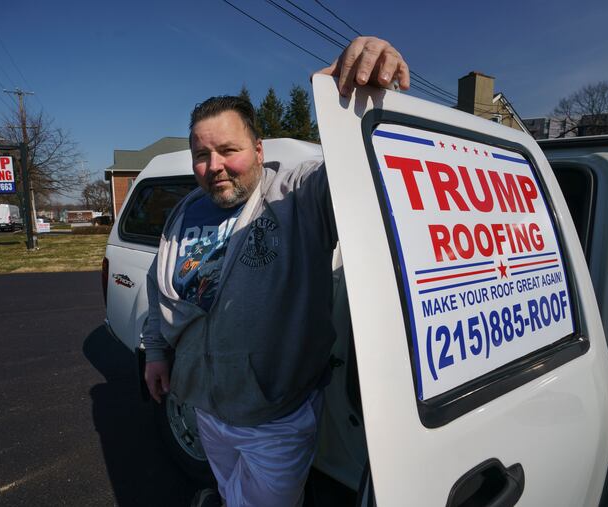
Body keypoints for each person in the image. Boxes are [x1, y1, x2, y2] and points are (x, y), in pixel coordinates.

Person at [142, 36, 410, 507]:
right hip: (203, 403)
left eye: (228, 150)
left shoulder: (297, 195)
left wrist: (366, 103)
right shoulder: (185, 211)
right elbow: (158, 289)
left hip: (275, 416)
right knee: (229, 486)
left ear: (260, 149)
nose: (214, 167)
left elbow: (368, 173)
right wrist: (156, 352)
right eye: (201, 155)